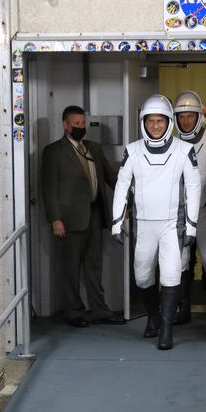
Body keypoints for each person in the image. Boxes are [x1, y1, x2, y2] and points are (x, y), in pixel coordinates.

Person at [111, 94, 200, 351]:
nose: (155, 126)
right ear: (143, 122)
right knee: (142, 276)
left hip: (172, 224)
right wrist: (117, 223)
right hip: (144, 224)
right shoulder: (133, 150)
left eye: (160, 121)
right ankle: (153, 315)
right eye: (150, 121)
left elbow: (193, 189)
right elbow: (121, 186)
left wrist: (191, 226)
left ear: (168, 122)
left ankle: (166, 329)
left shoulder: (184, 150)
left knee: (171, 275)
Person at [41, 105, 122, 327]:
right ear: (65, 125)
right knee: (71, 268)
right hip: (69, 219)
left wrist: (131, 194)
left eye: (82, 123)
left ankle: (100, 311)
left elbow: (111, 177)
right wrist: (55, 219)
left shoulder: (93, 148)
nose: (80, 127)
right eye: (75, 124)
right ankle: (74, 312)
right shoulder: (54, 151)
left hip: (95, 214)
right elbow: (48, 188)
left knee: (94, 266)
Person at [173, 90, 206, 322]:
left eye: (190, 116)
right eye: (181, 117)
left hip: (204, 210)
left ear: (198, 116)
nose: (186, 121)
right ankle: (183, 308)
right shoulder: (170, 143)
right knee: (181, 260)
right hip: (179, 211)